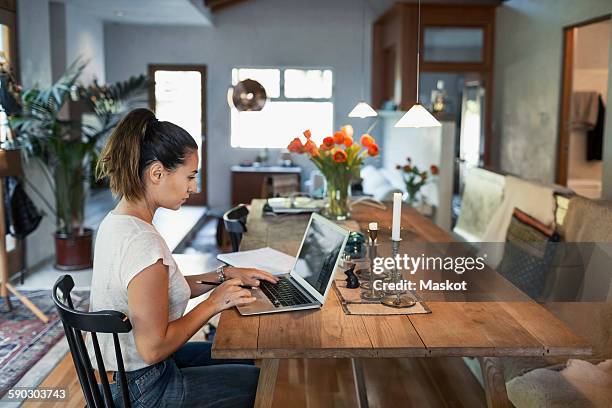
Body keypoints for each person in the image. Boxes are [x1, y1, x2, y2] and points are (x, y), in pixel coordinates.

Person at [88, 108, 278, 407]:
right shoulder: (142, 243)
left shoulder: (117, 222)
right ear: (157, 173)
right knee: (262, 381)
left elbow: (161, 290)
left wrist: (222, 276)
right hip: (146, 388)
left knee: (242, 352)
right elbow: (152, 348)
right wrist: (214, 304)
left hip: (131, 374)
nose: (194, 187)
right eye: (190, 176)